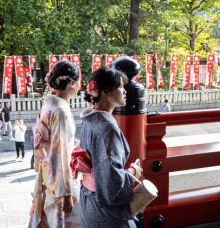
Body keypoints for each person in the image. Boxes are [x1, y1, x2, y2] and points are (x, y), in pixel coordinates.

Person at [77, 67, 143, 228]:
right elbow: (111, 184)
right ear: (105, 92)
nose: (125, 91)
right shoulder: (107, 127)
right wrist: (133, 172)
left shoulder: (89, 118)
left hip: (88, 199)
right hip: (105, 211)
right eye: (120, 87)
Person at [29, 60, 81, 228]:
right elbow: (60, 153)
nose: (80, 85)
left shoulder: (48, 104)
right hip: (59, 180)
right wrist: (66, 193)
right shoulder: (60, 111)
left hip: (47, 173)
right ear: (72, 83)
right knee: (68, 220)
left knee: (51, 220)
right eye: (79, 81)